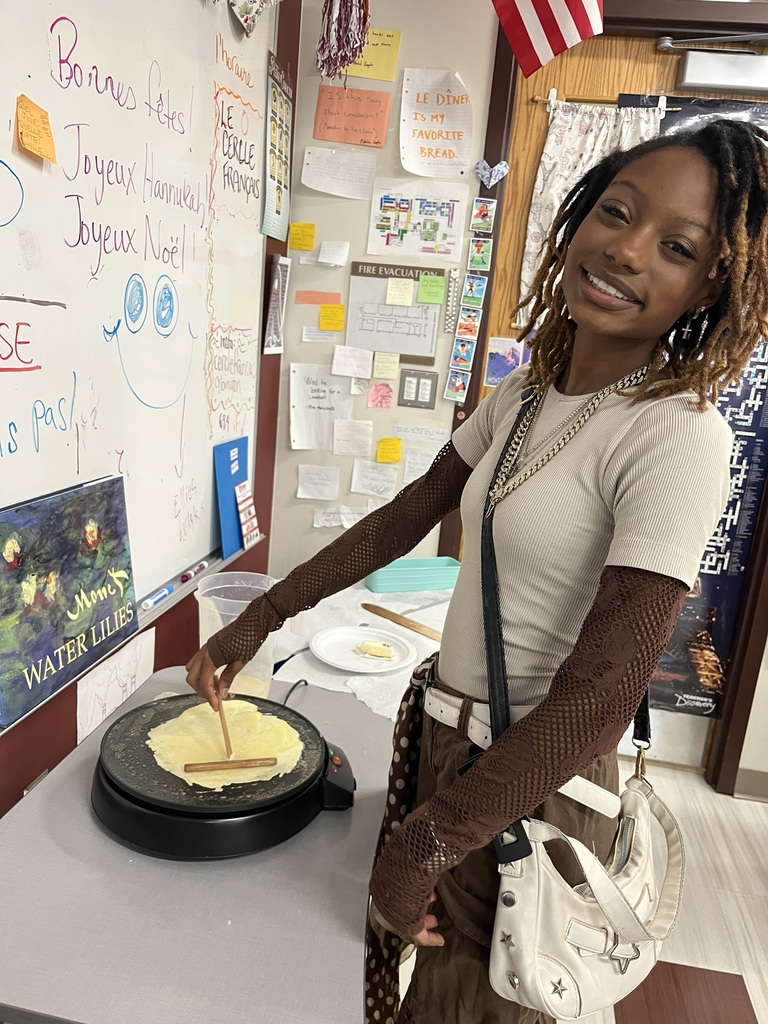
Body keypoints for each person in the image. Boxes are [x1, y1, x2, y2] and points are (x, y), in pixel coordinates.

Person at [185, 119, 768, 1024]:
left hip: (531, 777)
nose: (625, 248)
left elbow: (606, 693)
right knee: (413, 991)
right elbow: (409, 514)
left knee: (483, 1010)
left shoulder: (676, 435)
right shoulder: (529, 390)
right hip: (447, 745)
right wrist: (259, 618)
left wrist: (426, 841)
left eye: (677, 246)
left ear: (710, 285)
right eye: (616, 211)